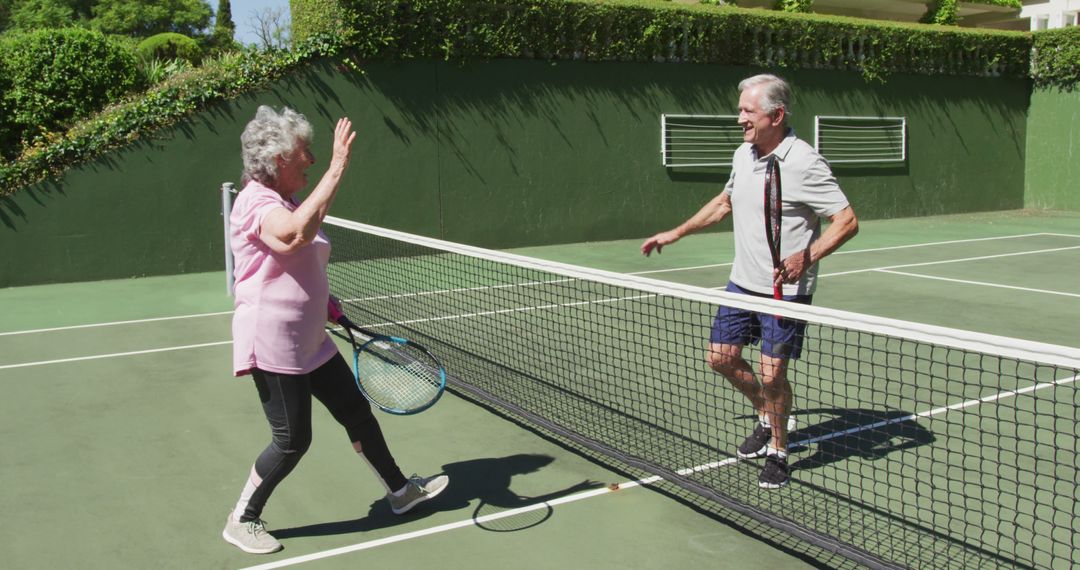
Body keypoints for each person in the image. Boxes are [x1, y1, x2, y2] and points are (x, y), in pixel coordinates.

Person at [222, 106, 449, 554]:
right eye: (303, 152)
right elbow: (291, 238)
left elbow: (297, 250)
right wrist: (338, 164)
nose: (309, 160)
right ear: (279, 159)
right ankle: (241, 519)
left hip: (311, 339)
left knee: (356, 412)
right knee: (291, 442)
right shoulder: (256, 202)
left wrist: (321, 301)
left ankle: (400, 492)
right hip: (273, 341)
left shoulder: (286, 200)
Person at [641, 74, 858, 489]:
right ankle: (767, 413)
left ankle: (778, 448)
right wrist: (676, 232)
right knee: (720, 358)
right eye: (740, 109)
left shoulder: (805, 162)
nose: (739, 117)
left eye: (747, 110)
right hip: (742, 282)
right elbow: (724, 202)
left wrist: (807, 255)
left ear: (775, 115)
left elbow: (847, 220)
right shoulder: (744, 154)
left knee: (773, 374)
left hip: (784, 291)